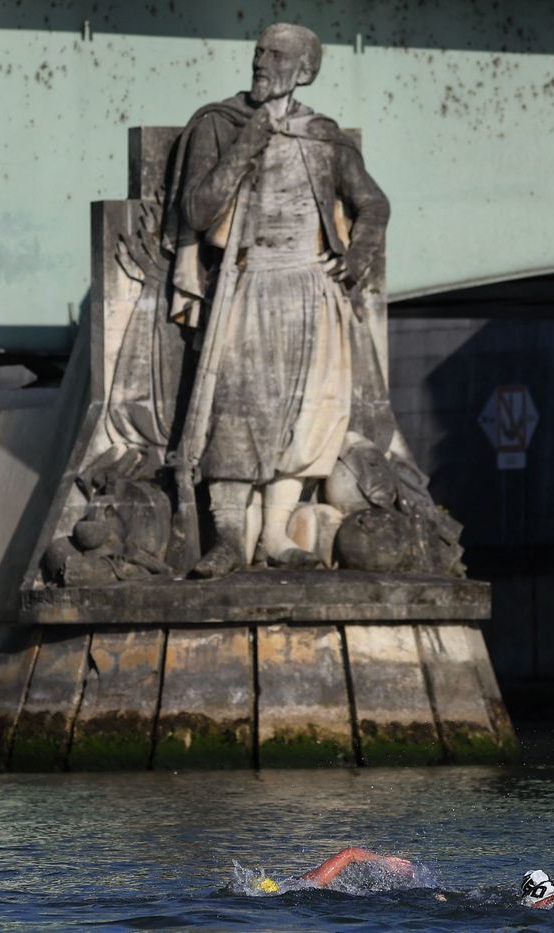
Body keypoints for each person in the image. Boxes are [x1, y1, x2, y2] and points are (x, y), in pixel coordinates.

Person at [165, 22, 391, 578]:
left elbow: (374, 203)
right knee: (234, 409)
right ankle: (227, 539)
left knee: (303, 416)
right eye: (259, 52)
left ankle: (274, 535)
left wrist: (357, 256)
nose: (262, 62)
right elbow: (196, 210)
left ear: (305, 70)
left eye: (276, 55)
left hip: (311, 290)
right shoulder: (220, 124)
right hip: (249, 283)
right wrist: (249, 142)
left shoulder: (323, 136)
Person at [255, 846, 414, 893]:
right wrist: (384, 862)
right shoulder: (316, 882)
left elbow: (350, 854)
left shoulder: (311, 882)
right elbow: (349, 853)